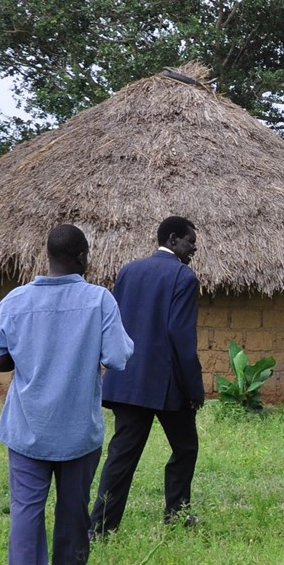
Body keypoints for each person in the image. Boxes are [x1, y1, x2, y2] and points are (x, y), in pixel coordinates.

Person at [0, 224, 133, 565]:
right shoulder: (100, 300)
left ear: (46, 255)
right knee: (72, 507)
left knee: (27, 510)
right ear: (82, 257)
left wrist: (27, 353)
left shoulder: (14, 301)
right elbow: (117, 357)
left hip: (27, 427)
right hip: (78, 428)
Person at [91, 216, 206, 535]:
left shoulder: (129, 270)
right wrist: (194, 388)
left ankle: (99, 527)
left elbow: (114, 324)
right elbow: (180, 335)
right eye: (190, 242)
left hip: (127, 381)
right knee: (185, 449)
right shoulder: (183, 276)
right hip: (167, 386)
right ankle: (177, 516)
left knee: (121, 456)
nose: (193, 250)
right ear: (173, 239)